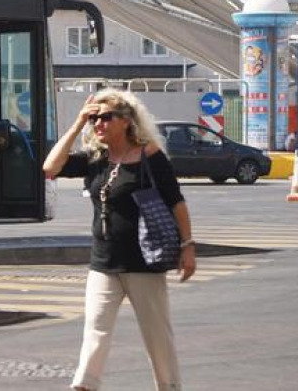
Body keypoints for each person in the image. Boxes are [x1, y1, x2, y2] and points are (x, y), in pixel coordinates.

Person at [42, 89, 196, 391]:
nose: (98, 123)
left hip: (144, 262)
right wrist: (76, 124)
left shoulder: (149, 156)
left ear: (126, 121)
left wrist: (187, 247)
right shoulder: (95, 159)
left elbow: (177, 203)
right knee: (95, 329)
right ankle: (85, 385)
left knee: (156, 334)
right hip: (104, 262)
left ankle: (169, 386)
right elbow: (50, 167)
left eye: (105, 117)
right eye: (94, 118)